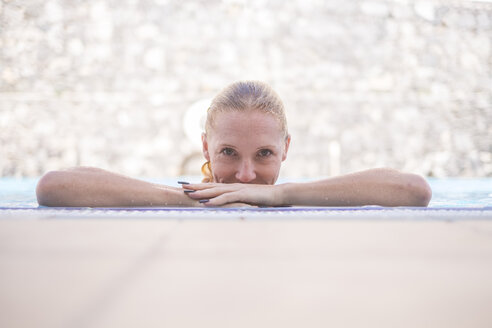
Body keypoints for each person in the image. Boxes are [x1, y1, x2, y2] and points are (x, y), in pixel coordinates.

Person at [36, 81, 432, 207]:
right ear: (205, 148)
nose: (245, 175)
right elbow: (52, 186)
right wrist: (191, 199)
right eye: (228, 152)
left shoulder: (301, 195)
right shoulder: (178, 197)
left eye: (264, 154)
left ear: (286, 149)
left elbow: (414, 190)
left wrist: (283, 195)